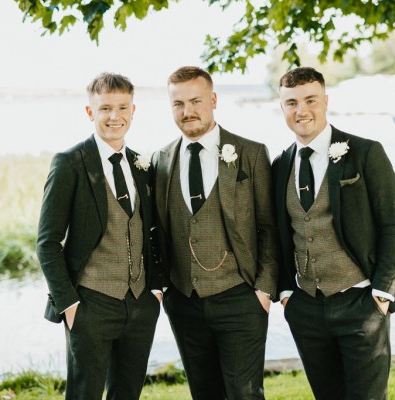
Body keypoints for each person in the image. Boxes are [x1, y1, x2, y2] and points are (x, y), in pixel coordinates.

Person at [273, 67, 395, 400]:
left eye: (310, 100)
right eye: (291, 102)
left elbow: (393, 225)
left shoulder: (365, 152)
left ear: (326, 101)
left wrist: (382, 291)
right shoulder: (279, 165)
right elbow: (276, 233)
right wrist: (287, 292)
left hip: (361, 302)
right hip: (307, 308)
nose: (301, 110)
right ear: (282, 108)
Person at [151, 66, 279, 400]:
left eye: (195, 101)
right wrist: (165, 287)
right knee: (203, 392)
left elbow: (269, 226)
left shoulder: (250, 153)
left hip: (241, 296)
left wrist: (264, 289)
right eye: (178, 103)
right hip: (184, 302)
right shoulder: (161, 160)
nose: (187, 111)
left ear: (214, 100)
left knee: (245, 394)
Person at [36, 72, 161, 400]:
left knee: (127, 393)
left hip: (140, 305)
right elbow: (48, 242)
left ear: (134, 110)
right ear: (91, 112)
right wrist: (69, 305)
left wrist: (156, 291)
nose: (114, 116)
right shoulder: (70, 164)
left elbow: (153, 232)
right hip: (90, 304)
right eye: (105, 108)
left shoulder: (141, 165)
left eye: (122, 107)